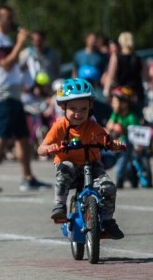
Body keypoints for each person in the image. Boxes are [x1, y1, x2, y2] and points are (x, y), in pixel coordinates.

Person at [0, 5, 50, 194]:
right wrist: (20, 44)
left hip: (12, 94)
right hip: (2, 94)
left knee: (23, 138)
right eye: (8, 17)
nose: (12, 21)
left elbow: (12, 66)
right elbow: (5, 65)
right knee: (0, 137)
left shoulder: (4, 39)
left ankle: (28, 178)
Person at [37, 78, 125, 239]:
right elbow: (41, 149)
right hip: (69, 165)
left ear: (90, 107)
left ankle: (107, 220)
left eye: (83, 109)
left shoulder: (93, 126)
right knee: (65, 168)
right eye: (72, 108)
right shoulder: (59, 126)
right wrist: (49, 149)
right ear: (63, 107)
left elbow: (107, 141)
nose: (78, 113)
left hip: (91, 164)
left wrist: (115, 145)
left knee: (108, 186)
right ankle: (60, 206)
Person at [106, 86, 151, 189]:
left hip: (131, 144)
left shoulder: (132, 117)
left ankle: (120, 177)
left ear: (125, 103)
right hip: (118, 142)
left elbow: (136, 133)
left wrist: (123, 129)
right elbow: (109, 124)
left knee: (125, 156)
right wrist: (113, 126)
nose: (113, 103)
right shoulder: (115, 114)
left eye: (115, 101)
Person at [103, 31, 146, 115]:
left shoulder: (116, 57)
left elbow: (110, 76)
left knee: (120, 120)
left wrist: (107, 92)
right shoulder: (139, 58)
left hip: (121, 94)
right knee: (136, 118)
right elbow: (146, 77)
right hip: (136, 94)